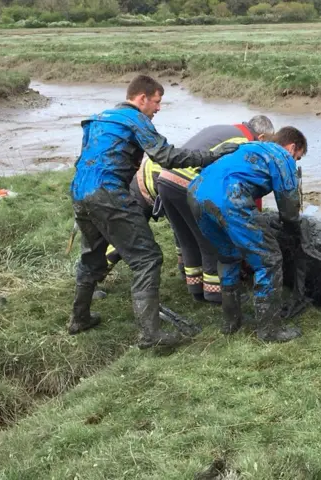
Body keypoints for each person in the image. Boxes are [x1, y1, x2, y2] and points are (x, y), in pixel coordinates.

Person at [68, 74, 237, 349]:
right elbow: (168, 158)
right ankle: (151, 335)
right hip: (108, 194)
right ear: (142, 98)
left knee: (92, 255)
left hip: (80, 192)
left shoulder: (99, 118)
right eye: (157, 102)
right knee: (147, 259)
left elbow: (86, 158)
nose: (158, 108)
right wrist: (212, 155)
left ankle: (79, 318)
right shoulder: (135, 120)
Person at [188, 126, 307, 343]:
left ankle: (231, 321)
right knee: (269, 260)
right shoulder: (282, 156)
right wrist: (294, 233)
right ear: (292, 148)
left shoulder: (249, 146)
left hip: (196, 193)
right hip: (228, 197)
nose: (295, 162)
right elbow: (289, 208)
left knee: (228, 255)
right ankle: (269, 330)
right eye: (297, 158)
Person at [156, 116, 275, 304]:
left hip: (165, 179)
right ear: (261, 137)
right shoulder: (244, 144)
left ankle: (195, 287)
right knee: (209, 239)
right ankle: (214, 292)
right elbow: (242, 186)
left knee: (187, 239)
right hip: (188, 184)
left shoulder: (226, 129)